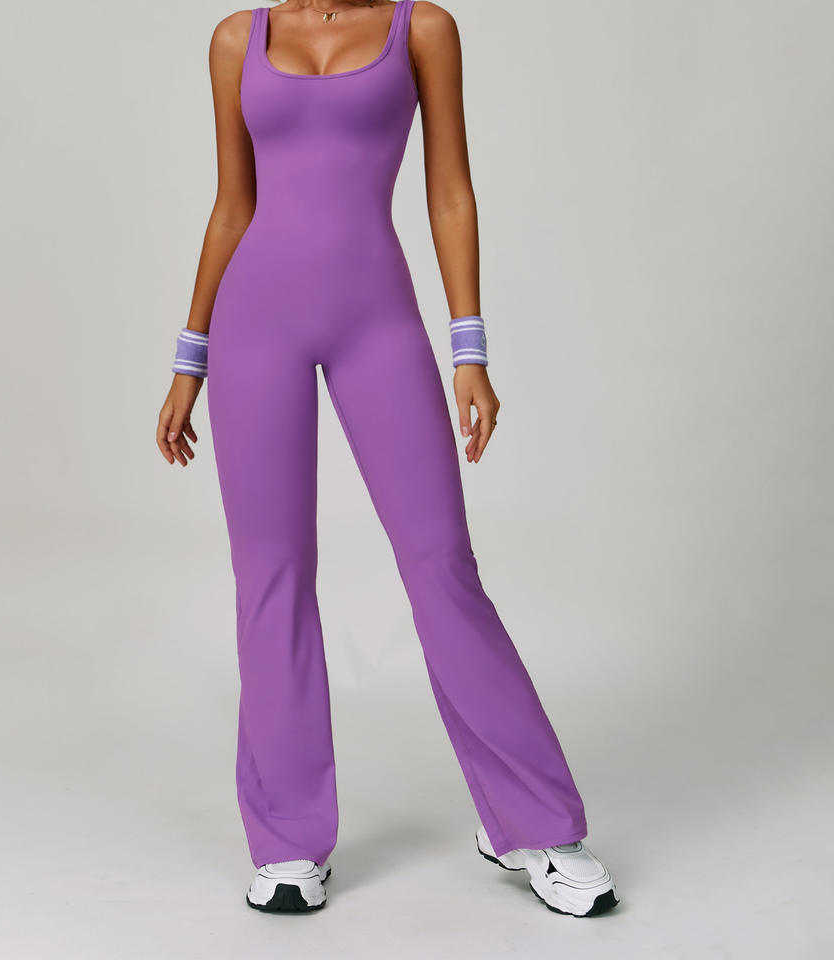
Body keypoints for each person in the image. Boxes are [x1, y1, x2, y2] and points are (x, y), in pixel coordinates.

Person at [156, 0, 619, 916]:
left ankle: (531, 823)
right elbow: (232, 206)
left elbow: (450, 191)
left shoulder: (422, 28)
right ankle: (289, 841)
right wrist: (188, 359)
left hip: (377, 321)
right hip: (254, 329)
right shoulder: (237, 39)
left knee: (440, 562)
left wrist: (468, 349)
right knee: (272, 574)